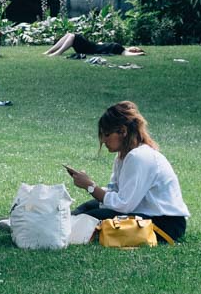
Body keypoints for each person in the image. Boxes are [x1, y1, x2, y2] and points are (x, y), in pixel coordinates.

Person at [65, 101, 189, 243]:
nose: (104, 140)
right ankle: (64, 222)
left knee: (94, 216)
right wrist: (92, 187)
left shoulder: (139, 157)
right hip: (145, 213)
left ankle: (66, 228)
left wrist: (90, 186)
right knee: (88, 207)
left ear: (122, 131)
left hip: (166, 223)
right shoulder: (123, 157)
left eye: (106, 134)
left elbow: (123, 205)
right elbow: (116, 192)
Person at [44, 33, 145, 57]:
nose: (134, 48)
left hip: (90, 49)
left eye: (135, 49)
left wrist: (140, 53)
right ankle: (50, 51)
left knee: (73, 36)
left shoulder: (122, 50)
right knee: (69, 34)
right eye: (136, 48)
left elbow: (128, 55)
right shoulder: (122, 47)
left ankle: (57, 53)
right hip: (92, 46)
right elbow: (101, 45)